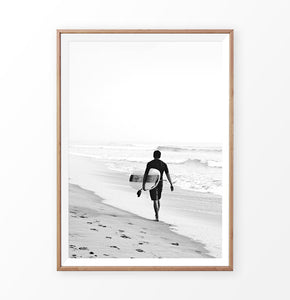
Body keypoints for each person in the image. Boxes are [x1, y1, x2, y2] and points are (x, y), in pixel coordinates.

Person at [142, 150, 174, 221]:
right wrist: (171, 184)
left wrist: (143, 184)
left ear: (153, 155)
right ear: (160, 156)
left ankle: (156, 215)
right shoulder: (164, 164)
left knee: (155, 200)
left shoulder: (150, 163)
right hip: (160, 183)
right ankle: (157, 213)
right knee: (158, 199)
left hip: (152, 183)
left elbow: (146, 175)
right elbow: (167, 174)